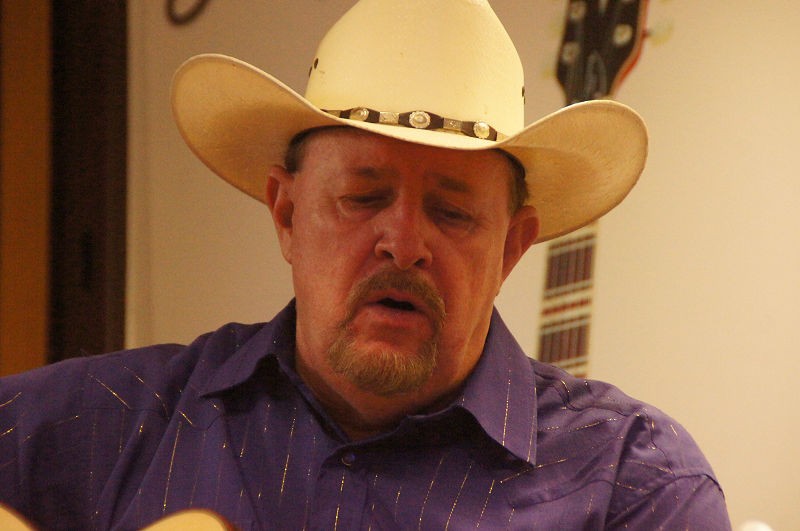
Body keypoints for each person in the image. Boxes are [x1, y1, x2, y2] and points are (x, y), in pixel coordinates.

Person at [0, 0, 731, 529]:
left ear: (511, 247)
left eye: (452, 212)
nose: (404, 243)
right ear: (286, 213)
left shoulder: (637, 484)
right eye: (363, 197)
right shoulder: (109, 423)